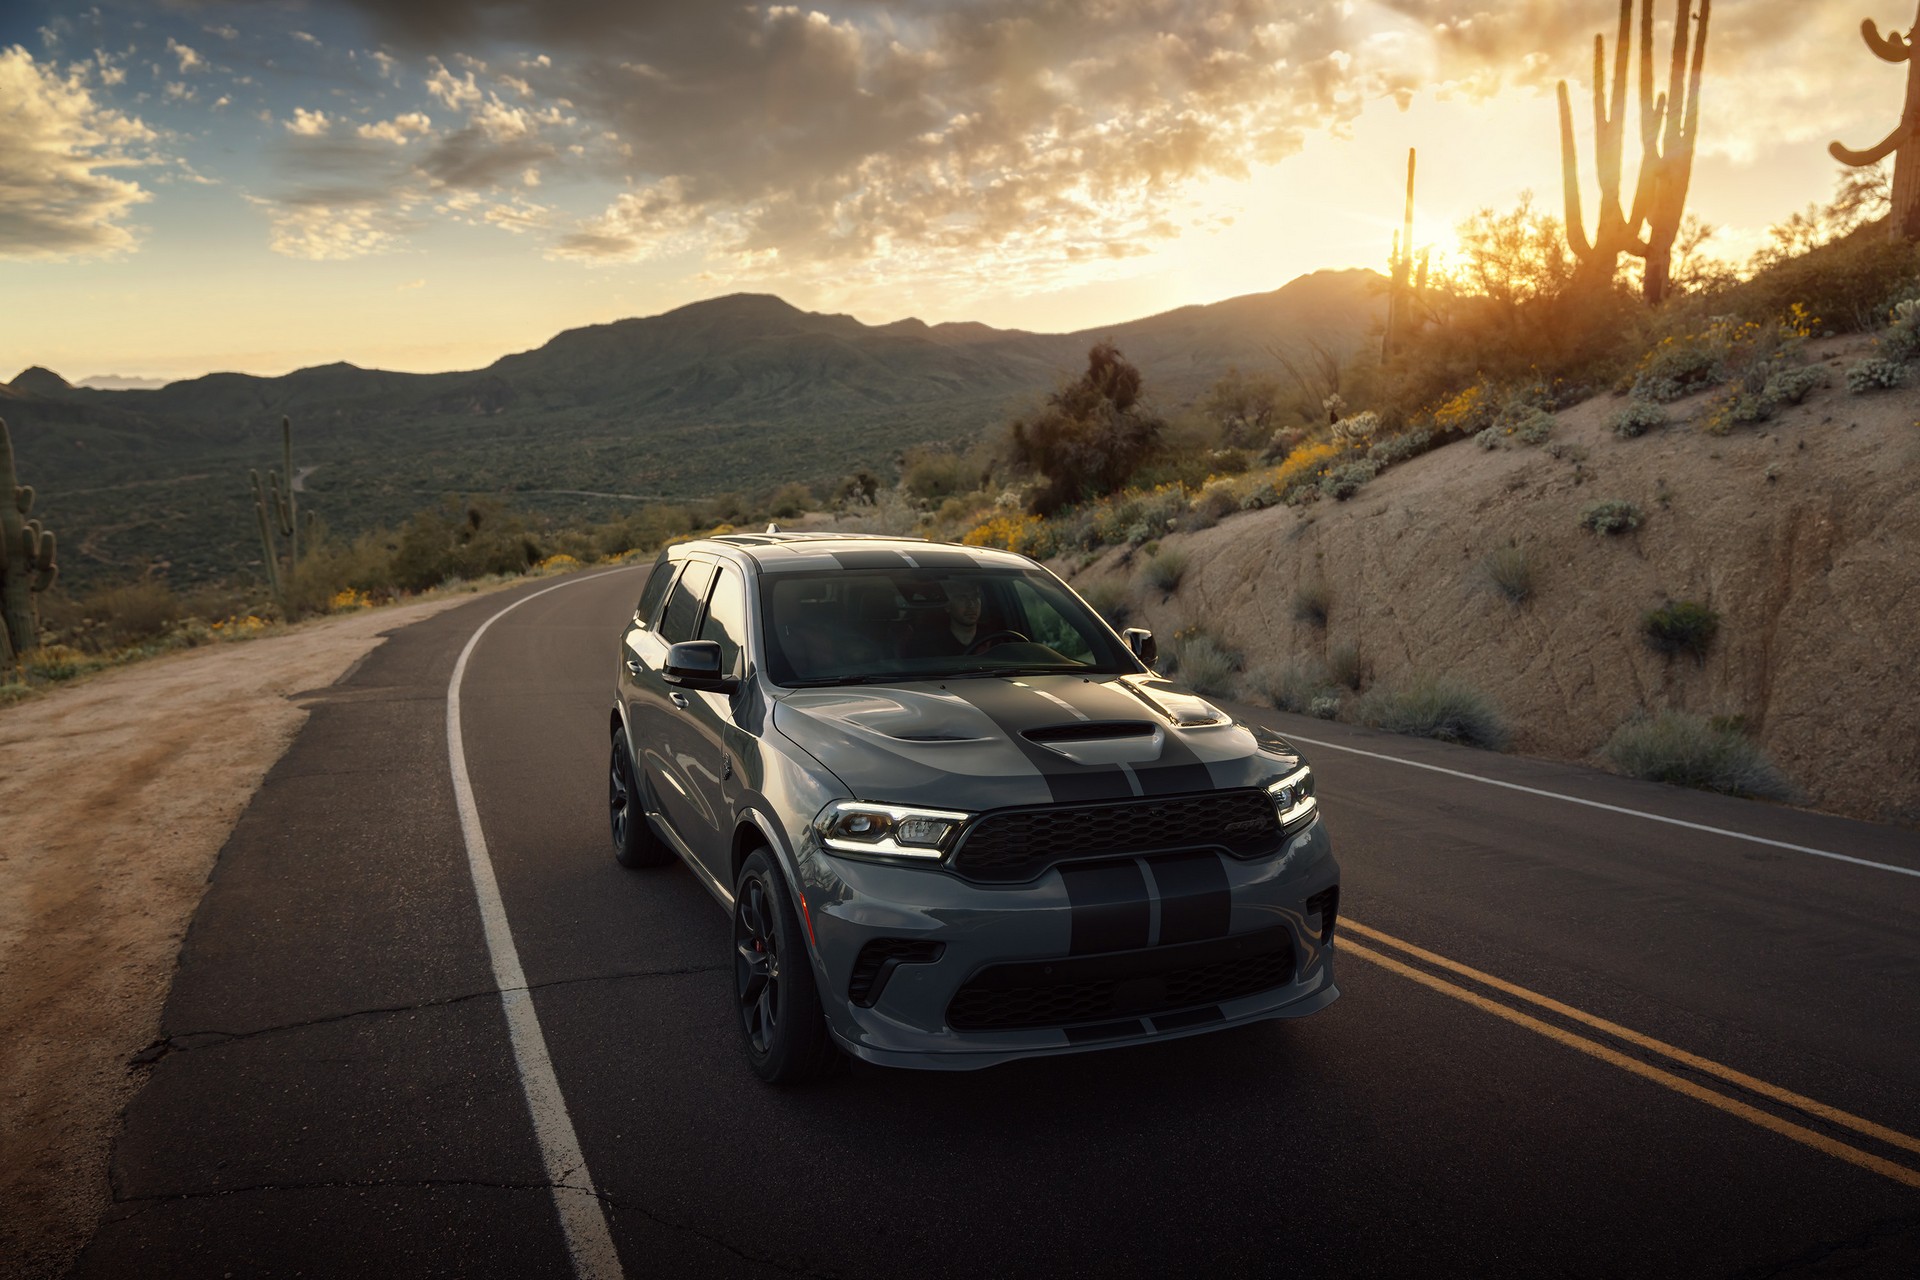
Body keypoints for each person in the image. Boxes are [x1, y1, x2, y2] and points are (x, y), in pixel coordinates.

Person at [908, 578, 987, 657]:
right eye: (962, 598)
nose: (971, 605)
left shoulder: (993, 638)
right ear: (947, 607)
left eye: (975, 597)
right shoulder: (929, 643)